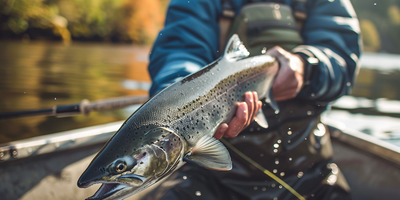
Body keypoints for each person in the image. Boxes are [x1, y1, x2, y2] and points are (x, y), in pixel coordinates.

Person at [146, 0, 361, 199]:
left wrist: (307, 67)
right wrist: (176, 107)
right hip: (209, 172)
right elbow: (179, 55)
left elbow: (342, 60)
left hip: (310, 168)